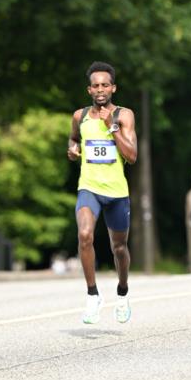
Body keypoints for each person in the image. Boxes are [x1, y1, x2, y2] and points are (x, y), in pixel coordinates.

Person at [67, 62, 137, 324]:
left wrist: (112, 126)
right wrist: (72, 150)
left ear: (113, 88)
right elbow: (74, 139)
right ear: (89, 89)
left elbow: (131, 156)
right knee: (85, 235)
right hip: (89, 187)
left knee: (119, 247)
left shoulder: (124, 115)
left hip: (117, 192)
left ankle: (122, 292)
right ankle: (93, 295)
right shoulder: (80, 116)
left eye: (105, 85)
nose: (100, 90)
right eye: (95, 85)